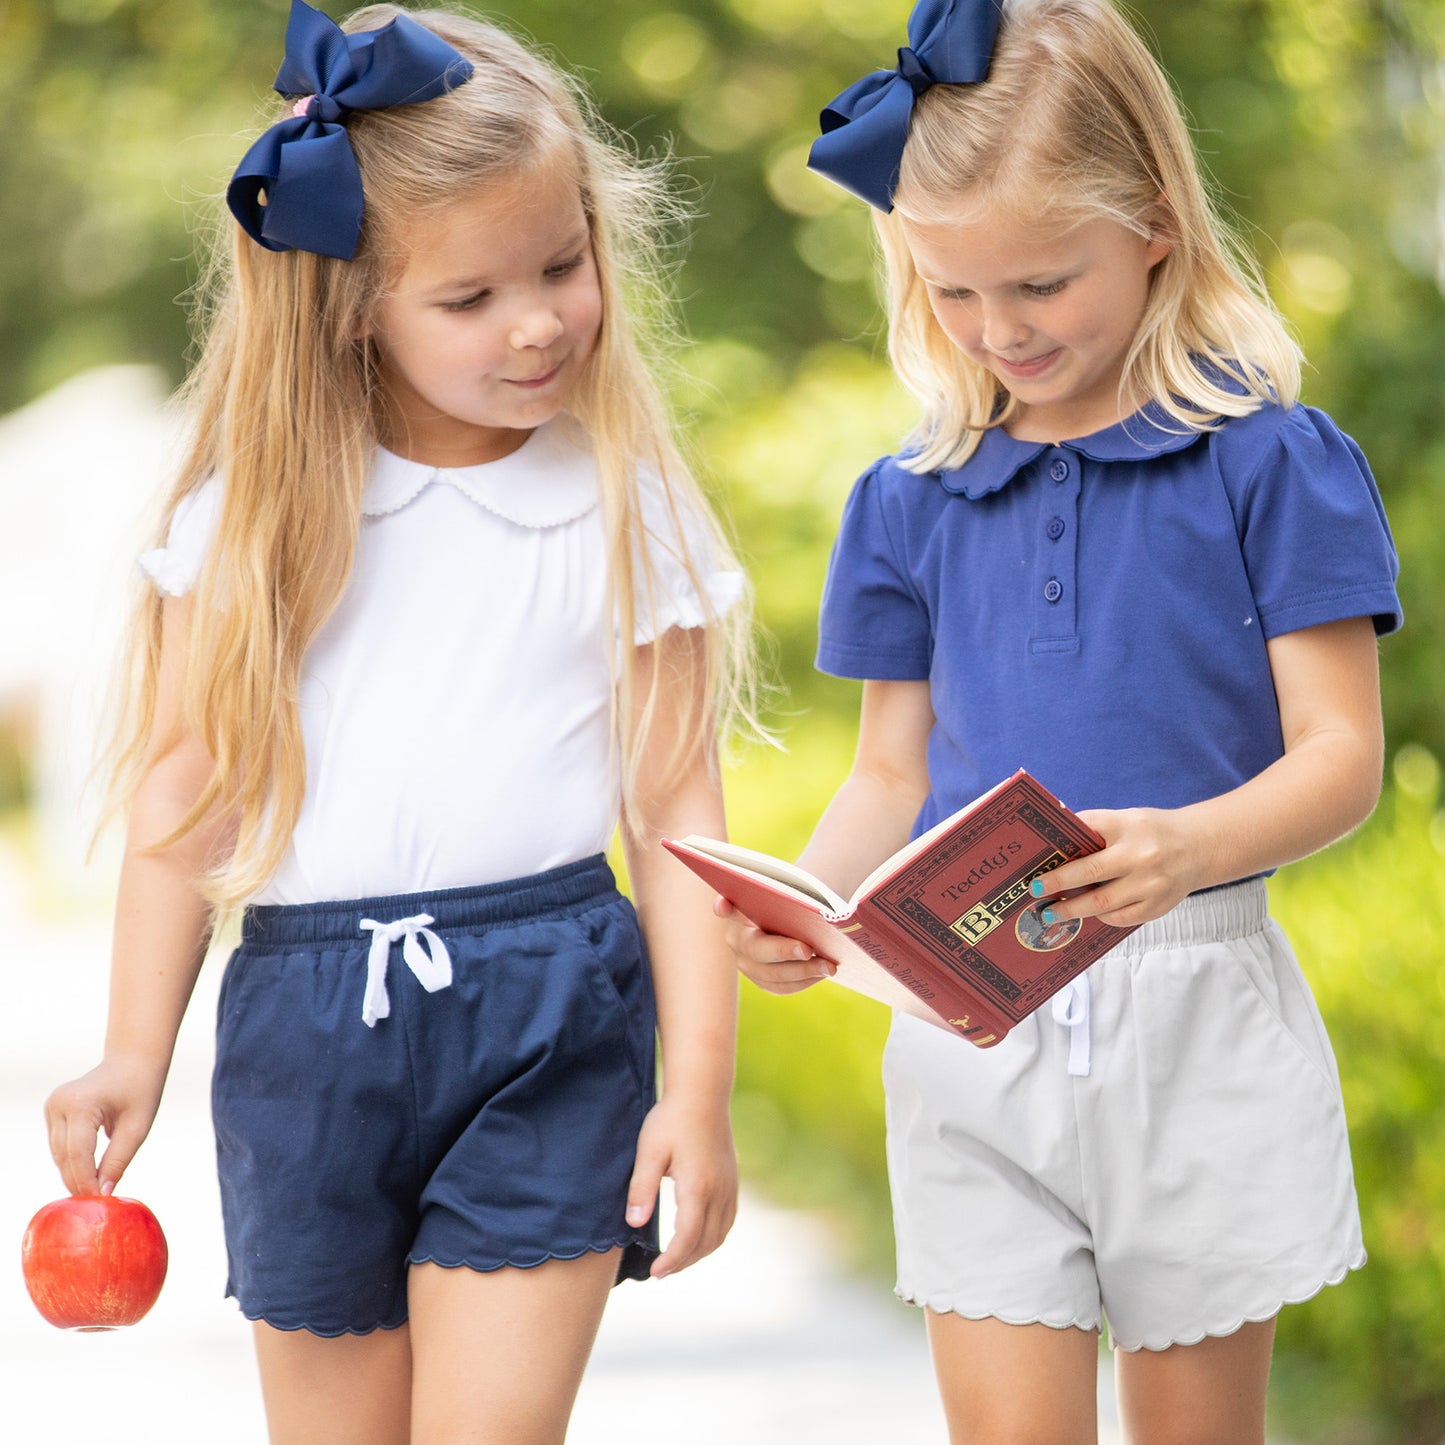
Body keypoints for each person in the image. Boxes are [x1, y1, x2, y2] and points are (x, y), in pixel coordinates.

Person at [44, 3, 755, 1441]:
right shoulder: (251, 518)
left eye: (562, 264)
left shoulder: (618, 495)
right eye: (472, 297)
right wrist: (133, 1048)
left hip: (551, 1004)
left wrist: (698, 1084)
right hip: (307, 1029)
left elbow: (676, 808)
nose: (541, 318)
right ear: (353, 303)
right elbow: (192, 798)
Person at [722, 1, 1401, 1440]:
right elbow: (886, 772)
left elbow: (1342, 757)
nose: (997, 330)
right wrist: (812, 906)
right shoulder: (904, 498)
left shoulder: (1269, 461)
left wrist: (1186, 847)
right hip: (968, 1024)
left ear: (1152, 222)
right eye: (952, 293)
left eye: (1038, 282)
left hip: (1194, 1016)